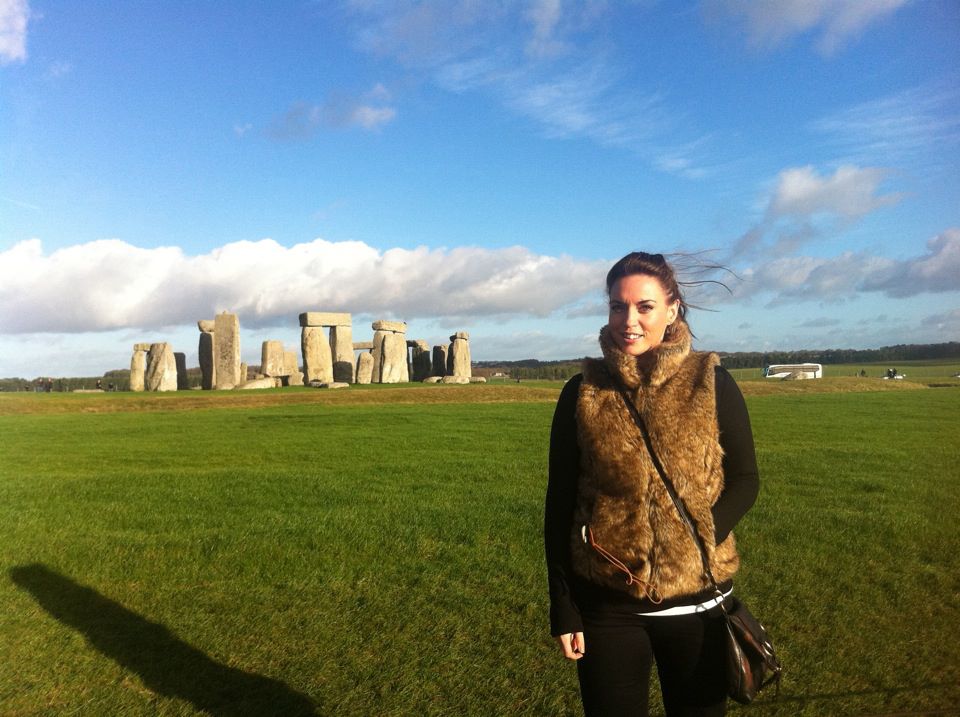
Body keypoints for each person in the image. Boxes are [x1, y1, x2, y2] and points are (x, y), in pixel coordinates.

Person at [545, 251, 760, 716]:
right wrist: (563, 605)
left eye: (644, 307)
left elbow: (745, 479)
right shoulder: (580, 392)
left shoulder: (711, 381)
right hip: (608, 609)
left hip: (699, 607)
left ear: (672, 309)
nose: (629, 320)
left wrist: (700, 536)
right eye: (618, 307)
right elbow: (559, 503)